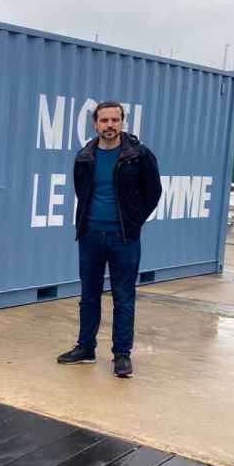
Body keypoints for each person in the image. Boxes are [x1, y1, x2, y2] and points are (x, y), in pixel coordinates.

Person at [58, 100, 162, 378]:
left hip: (124, 237)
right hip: (91, 235)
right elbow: (83, 191)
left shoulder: (138, 155)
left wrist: (133, 220)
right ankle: (85, 348)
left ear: (122, 122)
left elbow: (153, 192)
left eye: (115, 120)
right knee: (88, 296)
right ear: (95, 123)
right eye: (104, 121)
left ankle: (122, 354)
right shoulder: (84, 156)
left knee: (124, 297)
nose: (110, 125)